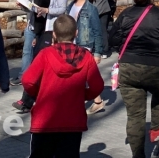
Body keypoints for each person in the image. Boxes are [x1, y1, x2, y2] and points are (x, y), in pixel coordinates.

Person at [109, 0, 159, 158]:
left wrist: (124, 52)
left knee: (135, 116)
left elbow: (113, 40)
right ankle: (156, 127)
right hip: (157, 66)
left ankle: (138, 155)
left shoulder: (126, 14)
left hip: (130, 67)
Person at [22, 13, 104, 158]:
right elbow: (97, 86)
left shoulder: (45, 54)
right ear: (76, 33)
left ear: (54, 34)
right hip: (73, 121)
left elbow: (28, 80)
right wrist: (84, 95)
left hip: (45, 120)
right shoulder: (86, 56)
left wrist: (38, 93)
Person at [14, 0, 68, 113]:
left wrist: (46, 9)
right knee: (39, 66)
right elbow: (35, 8)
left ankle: (27, 100)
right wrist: (27, 6)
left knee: (39, 65)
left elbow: (62, 8)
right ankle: (30, 100)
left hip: (51, 30)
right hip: (39, 30)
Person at [68, 0, 106, 114]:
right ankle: (96, 101)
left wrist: (98, 52)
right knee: (80, 75)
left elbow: (97, 31)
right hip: (71, 45)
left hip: (84, 46)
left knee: (81, 75)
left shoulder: (91, 9)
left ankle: (94, 101)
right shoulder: (70, 6)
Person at [13, 0, 46, 85]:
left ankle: (34, 77)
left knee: (37, 53)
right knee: (26, 51)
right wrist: (24, 6)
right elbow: (30, 7)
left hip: (39, 25)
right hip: (30, 23)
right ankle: (23, 76)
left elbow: (43, 9)